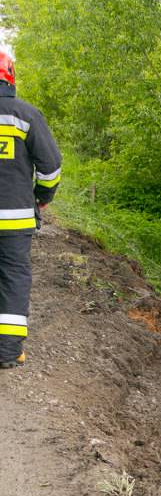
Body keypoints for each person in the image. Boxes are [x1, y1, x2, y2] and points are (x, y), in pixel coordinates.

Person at [0, 50, 62, 369]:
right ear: (10, 75)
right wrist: (42, 196)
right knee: (12, 276)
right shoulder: (26, 115)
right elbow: (50, 165)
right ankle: (8, 352)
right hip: (14, 220)